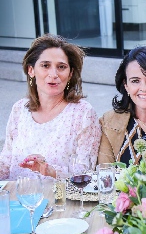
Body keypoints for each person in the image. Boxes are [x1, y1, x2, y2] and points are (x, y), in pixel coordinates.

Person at [0, 34, 101, 180]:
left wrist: (50, 170)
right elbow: (7, 160)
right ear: (31, 70)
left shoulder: (83, 113)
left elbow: (86, 171)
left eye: (61, 67)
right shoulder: (19, 108)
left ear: (70, 73)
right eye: (45, 65)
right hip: (15, 199)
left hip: (60, 200)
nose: (53, 74)